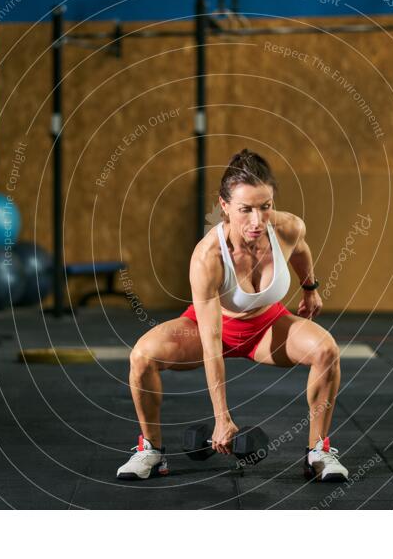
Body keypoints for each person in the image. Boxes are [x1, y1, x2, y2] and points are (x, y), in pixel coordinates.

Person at [117, 149, 348, 482]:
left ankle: (319, 452)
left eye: (265, 207)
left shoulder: (288, 228)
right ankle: (151, 451)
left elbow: (300, 250)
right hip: (208, 330)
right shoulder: (207, 257)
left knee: (326, 351)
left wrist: (310, 287)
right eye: (245, 210)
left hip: (267, 327)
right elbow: (212, 343)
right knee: (141, 356)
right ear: (224, 206)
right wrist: (221, 418)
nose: (257, 221)